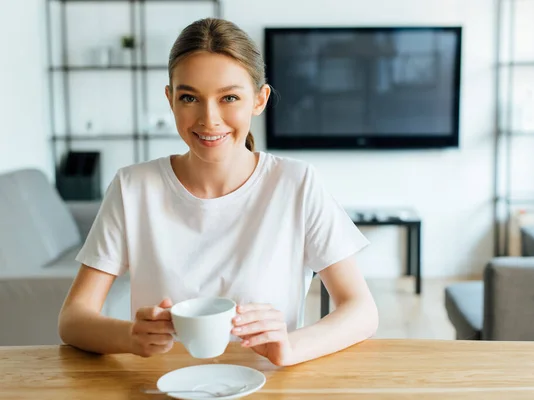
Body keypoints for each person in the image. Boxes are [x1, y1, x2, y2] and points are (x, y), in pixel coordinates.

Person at [58, 17, 378, 367]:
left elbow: (361, 310)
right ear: (170, 99)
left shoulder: (296, 183)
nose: (209, 119)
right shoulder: (133, 187)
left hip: (265, 387)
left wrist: (292, 347)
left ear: (259, 99)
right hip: (159, 388)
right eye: (189, 97)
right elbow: (73, 318)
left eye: (229, 97)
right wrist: (130, 337)